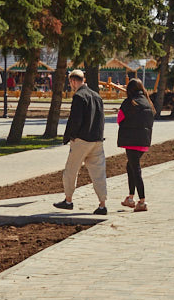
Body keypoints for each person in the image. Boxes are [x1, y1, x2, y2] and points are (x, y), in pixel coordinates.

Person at [53, 69, 108, 215]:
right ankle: (102, 204)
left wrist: (70, 136)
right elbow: (101, 119)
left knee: (71, 170)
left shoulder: (79, 96)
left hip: (82, 140)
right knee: (98, 173)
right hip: (97, 140)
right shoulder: (97, 96)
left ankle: (68, 200)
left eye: (70, 82)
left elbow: (75, 120)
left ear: (72, 81)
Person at [117, 78, 155, 212]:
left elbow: (119, 119)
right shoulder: (148, 102)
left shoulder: (129, 103)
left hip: (131, 140)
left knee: (136, 169)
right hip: (144, 141)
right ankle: (130, 197)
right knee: (130, 166)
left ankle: (142, 201)